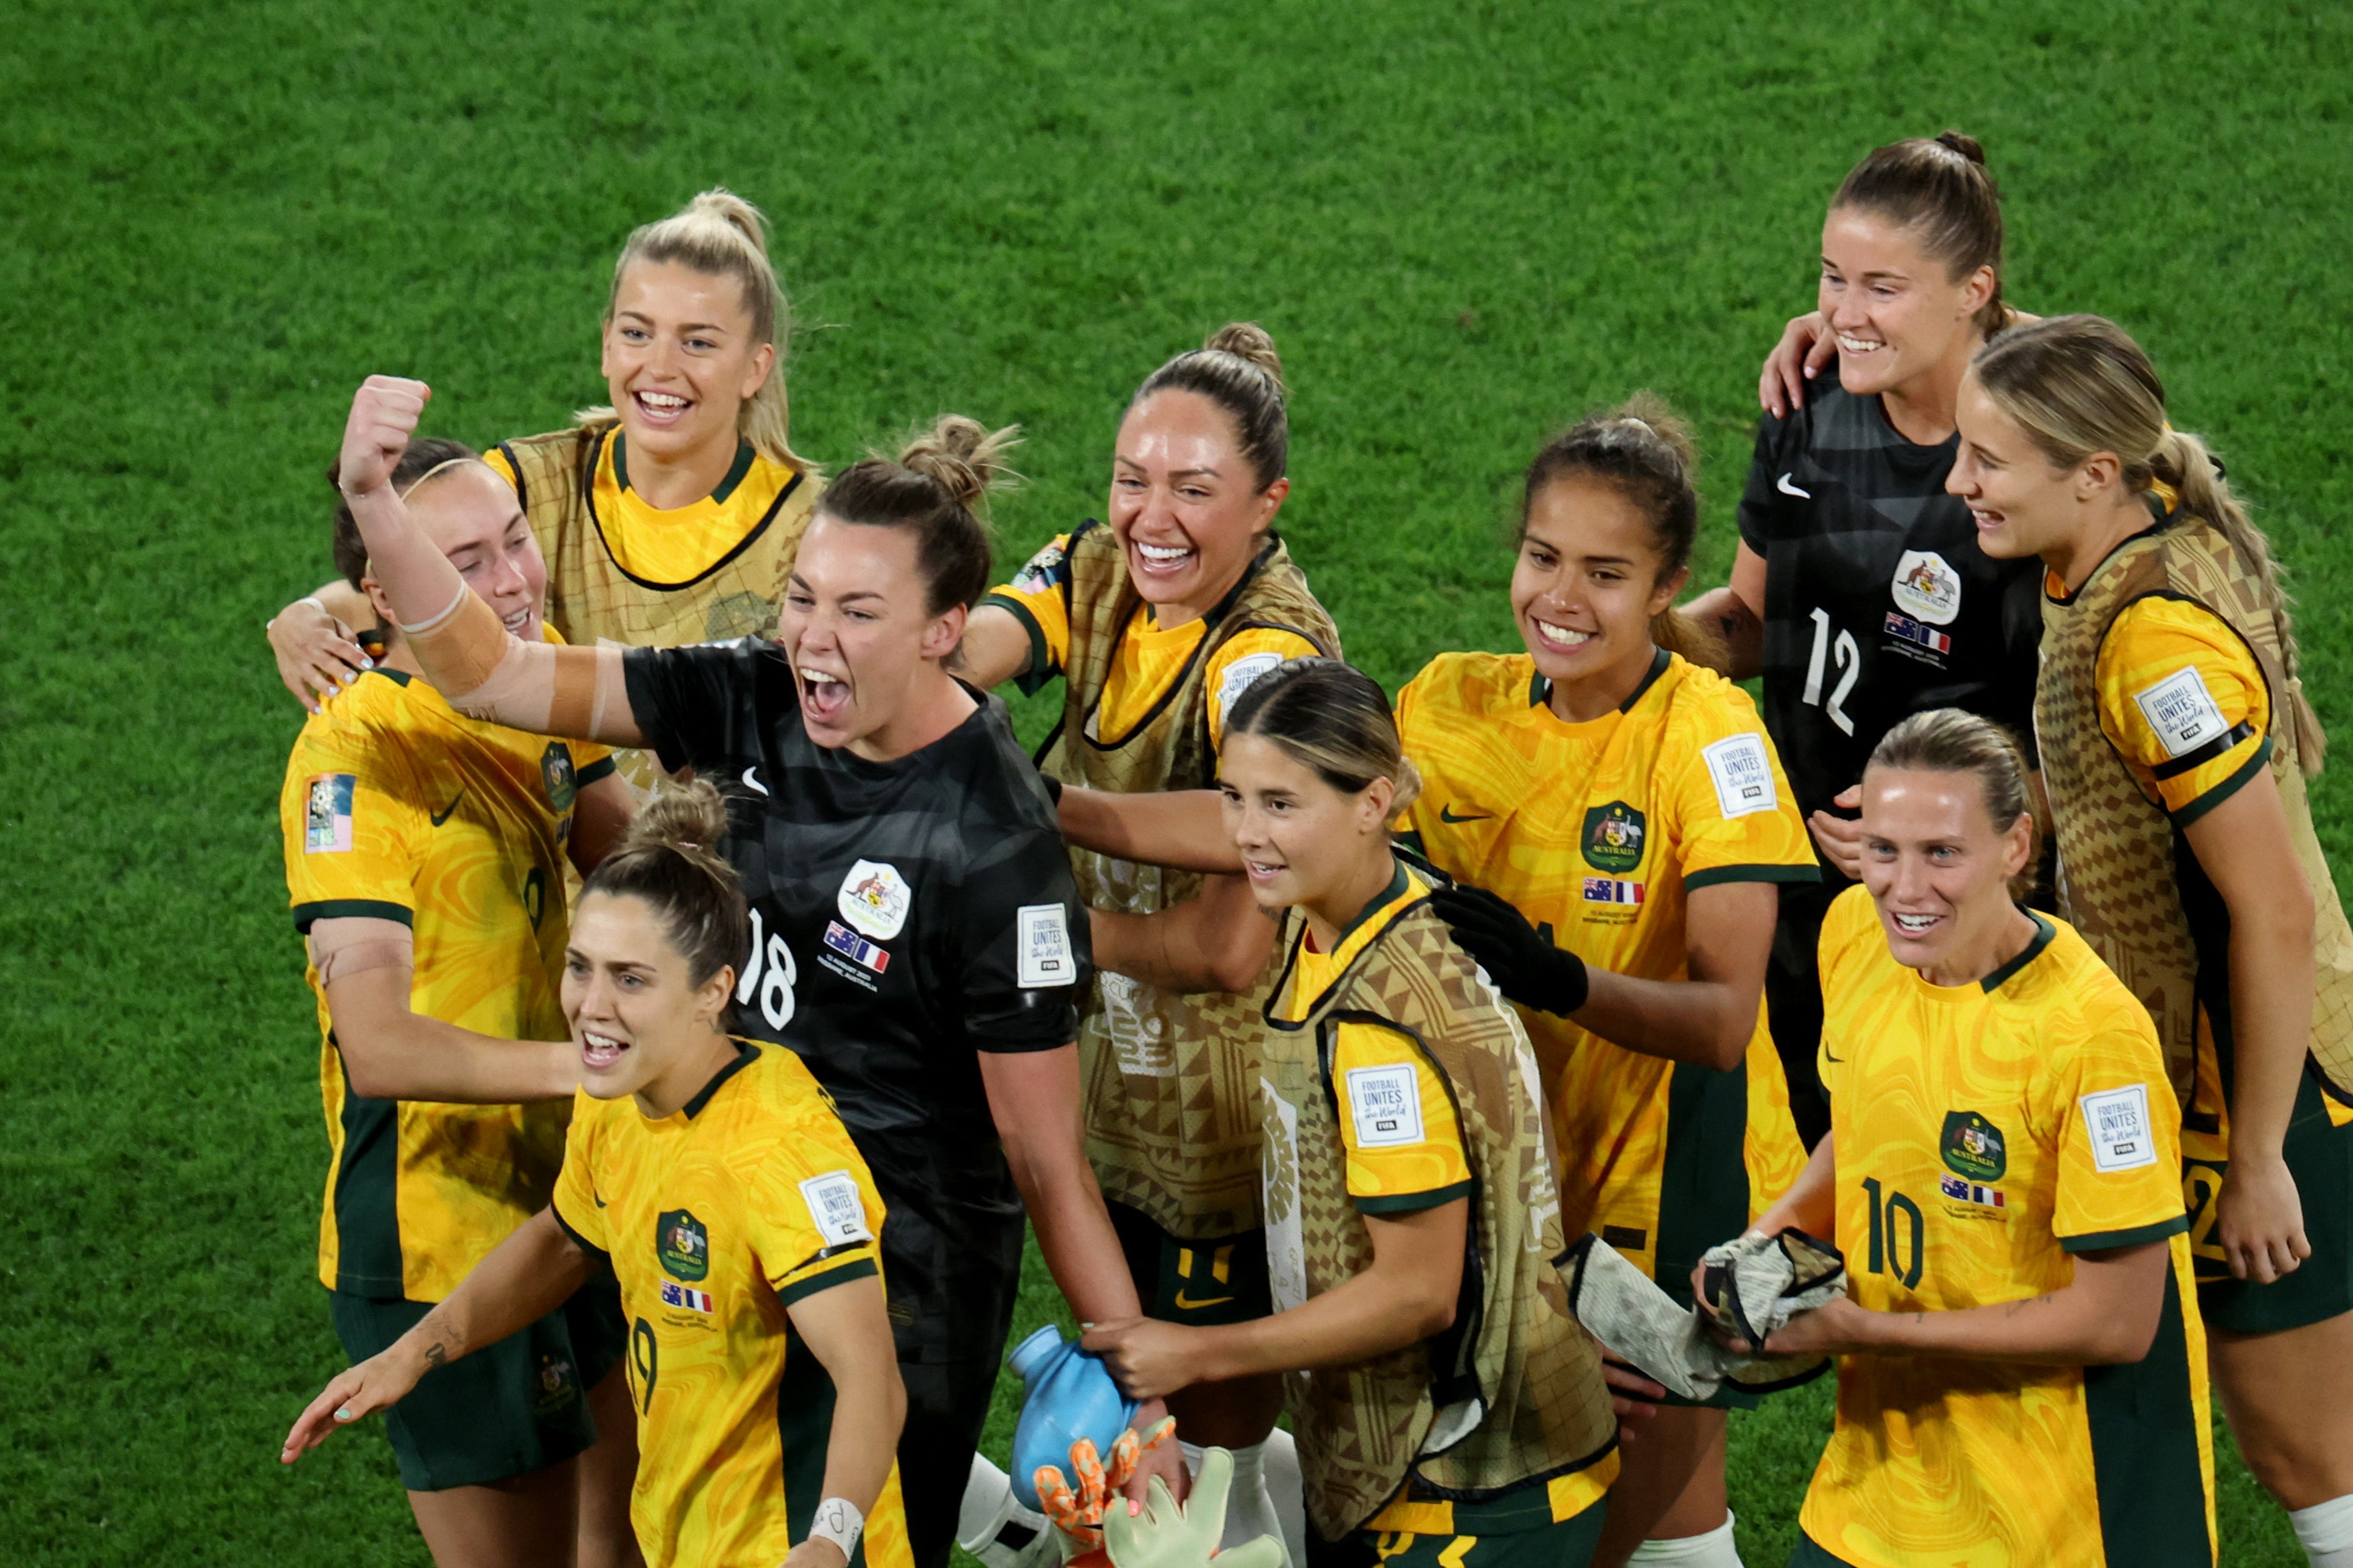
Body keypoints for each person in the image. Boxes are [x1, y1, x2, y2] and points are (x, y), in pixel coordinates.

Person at [324, 373, 1175, 1568]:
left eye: (859, 612)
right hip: (715, 1216)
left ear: (945, 630)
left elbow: (1041, 1155)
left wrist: (1140, 1384)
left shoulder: (996, 844)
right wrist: (375, 500)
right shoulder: (760, 689)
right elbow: (497, 676)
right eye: (804, 598)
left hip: (887, 1277)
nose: (815, 637)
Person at [1954, 314, 2353, 1568]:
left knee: (2312, 1454)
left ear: (2091, 472)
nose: (1960, 481)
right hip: (2207, 1072)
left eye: (1986, 460)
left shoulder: (2153, 642)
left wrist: (2259, 1159)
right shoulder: (2129, 535)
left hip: (2260, 1087)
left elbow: (2271, 906)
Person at [285, 782, 916, 1568]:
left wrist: (829, 1540)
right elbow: (563, 1237)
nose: (591, 1005)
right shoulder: (617, 1099)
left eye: (630, 978)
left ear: (714, 990)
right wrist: (413, 1352)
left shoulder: (779, 1151)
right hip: (690, 1541)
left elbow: (870, 1376)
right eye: (580, 967)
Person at [1083, 659, 1624, 1568]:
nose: (1246, 834)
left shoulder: (1382, 1032)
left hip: (1461, 1490)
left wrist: (1198, 1353)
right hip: (1444, 1454)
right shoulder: (1361, 902)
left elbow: (1417, 1291)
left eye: (1280, 805)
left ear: (1373, 801)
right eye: (1234, 797)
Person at [1398, 401, 1819, 1568]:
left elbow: (1726, 1022)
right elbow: (1304, 825)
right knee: (1649, 1522)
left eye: (1606, 572)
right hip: (1520, 1169)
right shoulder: (1449, 704)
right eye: (1543, 557)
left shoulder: (1710, 738)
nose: (1562, 598)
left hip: (1674, 1176)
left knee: (1607, 1517)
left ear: (1669, 585)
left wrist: (1551, 976)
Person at [956, 323, 1336, 1548]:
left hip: (1225, 1128)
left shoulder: (1270, 651)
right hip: (1115, 1092)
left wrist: (1047, 826)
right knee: (1139, 1447)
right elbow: (973, 649)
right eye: (1132, 478)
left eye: (1193, 489)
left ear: (1267, 504)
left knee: (1203, 1464)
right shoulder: (1093, 568)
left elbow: (1234, 929)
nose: (1150, 517)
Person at [277, 439, 639, 1567]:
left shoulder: (532, 675)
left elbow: (635, 865)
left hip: (572, 1191)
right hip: (443, 1233)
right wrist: (596, 1066)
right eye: (465, 562)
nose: (513, 581)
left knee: (632, 1538)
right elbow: (378, 1045)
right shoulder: (349, 758)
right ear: (385, 593)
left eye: (516, 541)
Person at [1743, 708, 2214, 1567]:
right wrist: (1763, 1243)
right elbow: (1864, 1125)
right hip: (1874, 1493)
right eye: (1882, 849)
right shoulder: (1855, 938)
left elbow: (2116, 1322)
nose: (1904, 888)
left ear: (2014, 845)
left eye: (1941, 853)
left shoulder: (2093, 1038)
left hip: (2059, 1517)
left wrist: (1868, 1331)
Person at [1684, 132, 2044, 1150]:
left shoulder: (2029, 462)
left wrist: (1915, 841)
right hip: (1797, 874)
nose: (1845, 313)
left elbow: (2074, 731)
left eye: (1883, 287)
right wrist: (1624, 620)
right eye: (1833, 278)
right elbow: (1749, 622)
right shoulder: (1808, 403)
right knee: (1805, 1151)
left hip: (1958, 903)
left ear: (1975, 291)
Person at [269, 189, 818, 796]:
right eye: (638, 333)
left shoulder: (811, 533)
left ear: (756, 366)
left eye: (699, 342)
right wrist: (306, 616)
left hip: (729, 854)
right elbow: (406, 585)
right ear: (606, 345)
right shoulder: (526, 483)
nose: (661, 367)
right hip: (552, 843)